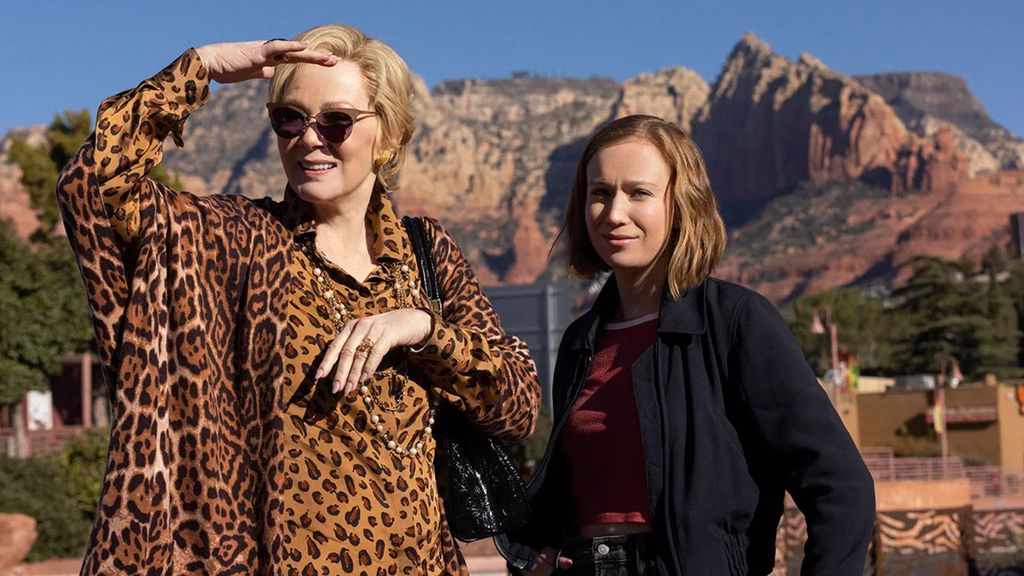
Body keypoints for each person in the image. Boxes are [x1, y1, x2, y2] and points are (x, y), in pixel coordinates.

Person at [56, 24, 540, 575]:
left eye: (336, 122)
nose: (309, 139)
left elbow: (518, 405)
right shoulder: (236, 238)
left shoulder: (427, 252)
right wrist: (199, 68)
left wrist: (423, 331)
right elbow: (91, 187)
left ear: (387, 136)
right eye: (290, 118)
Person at [496, 115, 875, 575]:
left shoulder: (736, 322)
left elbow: (841, 487)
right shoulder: (581, 340)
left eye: (639, 193)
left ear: (681, 205)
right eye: (601, 193)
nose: (614, 213)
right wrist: (538, 553)